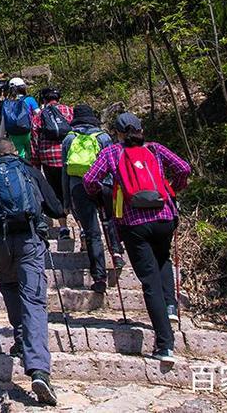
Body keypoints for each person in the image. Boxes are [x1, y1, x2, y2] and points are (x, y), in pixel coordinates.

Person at [82, 112, 191, 364]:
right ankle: (171, 307)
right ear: (141, 129)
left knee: (149, 280)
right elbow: (184, 168)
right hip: (164, 216)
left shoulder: (112, 153)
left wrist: (100, 196)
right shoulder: (155, 149)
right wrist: (174, 188)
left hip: (134, 222)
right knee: (163, 260)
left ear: (117, 133)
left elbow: (90, 179)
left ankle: (165, 344)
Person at [0, 138, 65, 406]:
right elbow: (55, 207)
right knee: (34, 301)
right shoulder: (28, 171)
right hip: (29, 241)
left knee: (10, 287)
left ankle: (22, 339)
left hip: (1, 244)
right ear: (15, 152)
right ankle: (38, 370)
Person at [60, 104, 123, 293]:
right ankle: (117, 252)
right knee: (109, 221)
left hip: (78, 187)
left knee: (92, 232)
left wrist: (66, 200)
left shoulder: (69, 138)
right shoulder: (104, 137)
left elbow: (65, 171)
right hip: (104, 185)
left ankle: (99, 278)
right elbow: (114, 165)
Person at [30, 87, 74, 240]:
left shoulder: (40, 115)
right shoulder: (69, 111)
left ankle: (63, 229)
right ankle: (82, 229)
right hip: (70, 159)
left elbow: (34, 140)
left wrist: (36, 163)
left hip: (49, 159)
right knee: (73, 193)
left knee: (56, 193)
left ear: (43, 100)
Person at [0, 77, 38, 159]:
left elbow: (3, 122)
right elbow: (38, 114)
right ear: (23, 87)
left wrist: (0, 138)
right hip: (28, 132)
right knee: (32, 155)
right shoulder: (29, 99)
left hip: (13, 134)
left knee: (19, 155)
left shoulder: (6, 103)